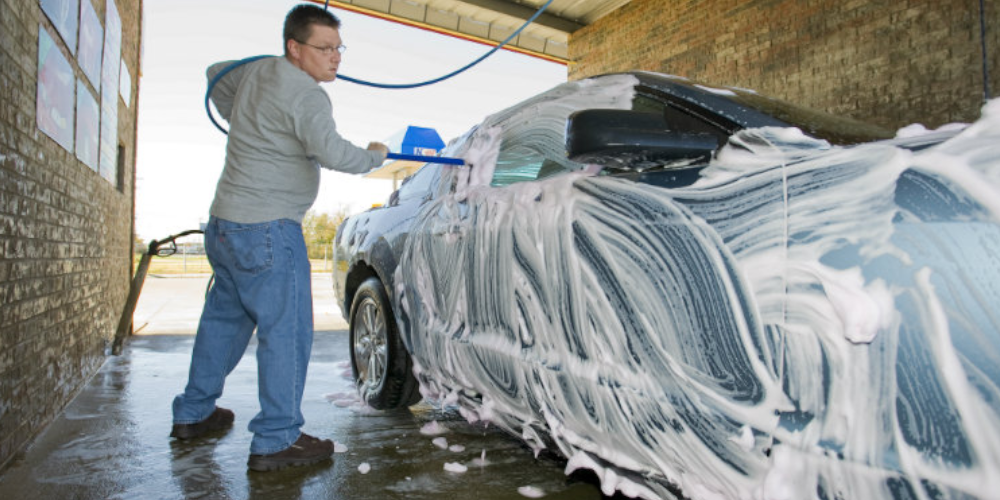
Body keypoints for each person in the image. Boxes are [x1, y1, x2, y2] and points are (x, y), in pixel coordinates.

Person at [169, 4, 388, 473]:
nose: (335, 58)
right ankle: (276, 439)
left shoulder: (257, 74)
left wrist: (250, 119)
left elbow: (215, 76)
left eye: (338, 48)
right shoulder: (307, 95)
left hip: (225, 226)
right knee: (285, 334)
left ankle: (194, 412)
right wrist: (374, 156)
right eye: (324, 48)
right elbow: (332, 152)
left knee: (222, 324)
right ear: (294, 47)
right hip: (268, 230)